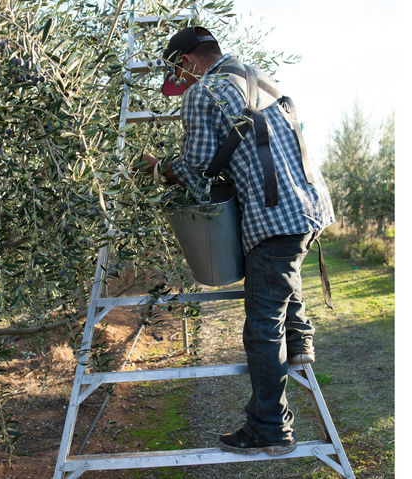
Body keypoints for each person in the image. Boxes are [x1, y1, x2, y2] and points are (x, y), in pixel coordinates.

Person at [138, 26, 335, 456]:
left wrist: (156, 169)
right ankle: (300, 341)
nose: (182, 87)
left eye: (180, 77)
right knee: (284, 279)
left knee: (262, 329)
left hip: (273, 218)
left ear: (187, 63)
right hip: (309, 207)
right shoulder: (257, 78)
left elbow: (195, 169)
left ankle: (270, 429)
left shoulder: (204, 92)